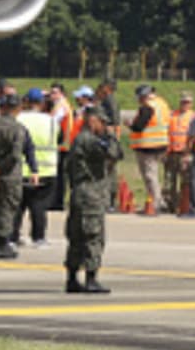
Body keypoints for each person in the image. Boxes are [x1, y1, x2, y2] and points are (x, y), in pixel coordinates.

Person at [65, 105, 123, 294]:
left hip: (79, 191)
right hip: (91, 193)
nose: (104, 127)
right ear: (92, 120)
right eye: (102, 123)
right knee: (93, 236)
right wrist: (112, 136)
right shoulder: (89, 140)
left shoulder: (79, 139)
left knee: (76, 236)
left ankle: (72, 277)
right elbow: (115, 153)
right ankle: (91, 277)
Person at [0, 93, 33, 259]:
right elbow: (16, 155)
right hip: (9, 175)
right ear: (17, 109)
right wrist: (0, 168)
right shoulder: (18, 128)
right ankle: (2, 244)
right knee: (7, 209)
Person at [14, 87, 57, 248]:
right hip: (47, 169)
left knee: (18, 205)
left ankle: (13, 236)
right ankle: (39, 237)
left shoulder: (19, 119)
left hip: (21, 169)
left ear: (25, 102)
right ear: (42, 102)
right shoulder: (51, 121)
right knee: (39, 206)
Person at [128, 84, 170, 214]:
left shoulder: (148, 107)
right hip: (161, 143)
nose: (139, 101)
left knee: (150, 175)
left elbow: (139, 126)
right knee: (154, 174)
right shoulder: (162, 104)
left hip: (148, 145)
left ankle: (155, 202)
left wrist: (131, 124)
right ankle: (158, 200)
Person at [165, 92, 195, 215]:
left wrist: (189, 152)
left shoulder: (193, 117)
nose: (185, 104)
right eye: (183, 102)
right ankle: (171, 205)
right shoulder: (172, 115)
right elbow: (167, 132)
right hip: (172, 152)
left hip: (185, 152)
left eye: (187, 102)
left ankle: (183, 205)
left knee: (186, 181)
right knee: (169, 182)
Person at [53, 85, 80, 211]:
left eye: (55, 93)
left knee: (60, 175)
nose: (52, 95)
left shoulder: (61, 106)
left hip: (63, 144)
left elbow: (53, 121)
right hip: (64, 143)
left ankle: (58, 201)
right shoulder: (63, 104)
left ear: (62, 94)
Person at [97, 79, 121, 212]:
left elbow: (115, 123)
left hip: (109, 140)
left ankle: (107, 202)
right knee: (110, 172)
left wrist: (114, 142)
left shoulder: (109, 101)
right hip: (110, 139)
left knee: (107, 171)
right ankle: (110, 201)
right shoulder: (108, 100)